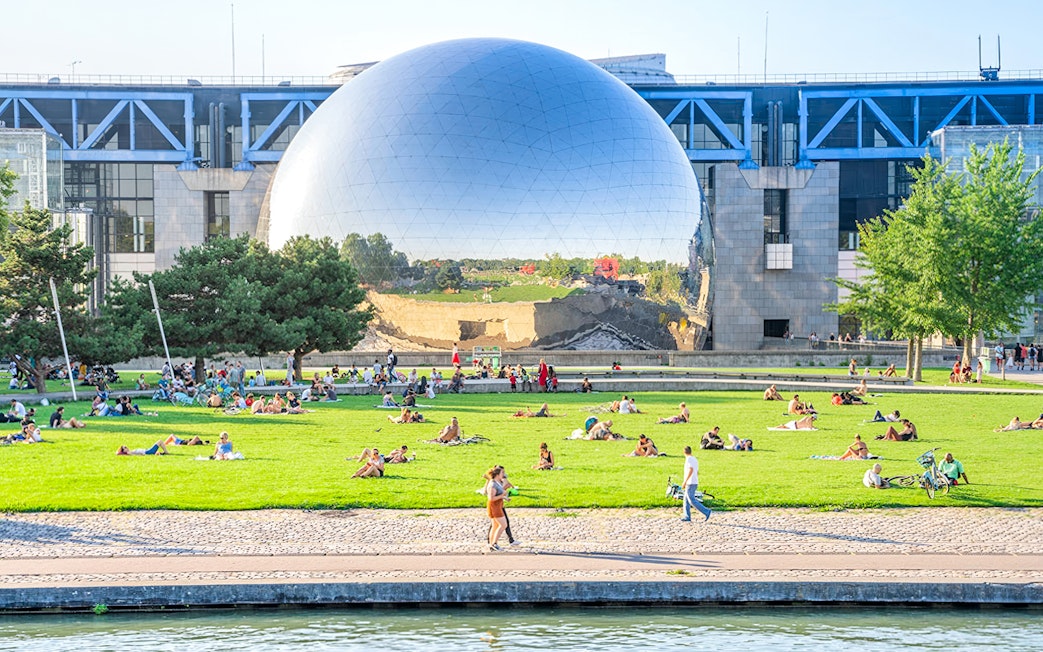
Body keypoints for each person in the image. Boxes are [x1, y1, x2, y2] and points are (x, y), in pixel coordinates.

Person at [680, 445, 711, 522]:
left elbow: (691, 470)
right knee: (686, 499)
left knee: (691, 500)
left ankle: (706, 511)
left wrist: (685, 481)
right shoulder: (694, 459)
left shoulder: (688, 459)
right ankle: (687, 516)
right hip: (694, 481)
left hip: (690, 482)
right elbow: (696, 471)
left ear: (684, 452)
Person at [484, 466, 508, 551]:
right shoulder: (493, 484)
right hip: (494, 507)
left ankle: (491, 544)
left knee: (495, 526)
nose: (503, 474)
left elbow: (498, 495)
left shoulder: (498, 482)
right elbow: (491, 498)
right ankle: (494, 543)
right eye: (502, 473)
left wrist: (504, 498)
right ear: (497, 474)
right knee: (503, 525)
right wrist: (502, 495)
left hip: (497, 506)